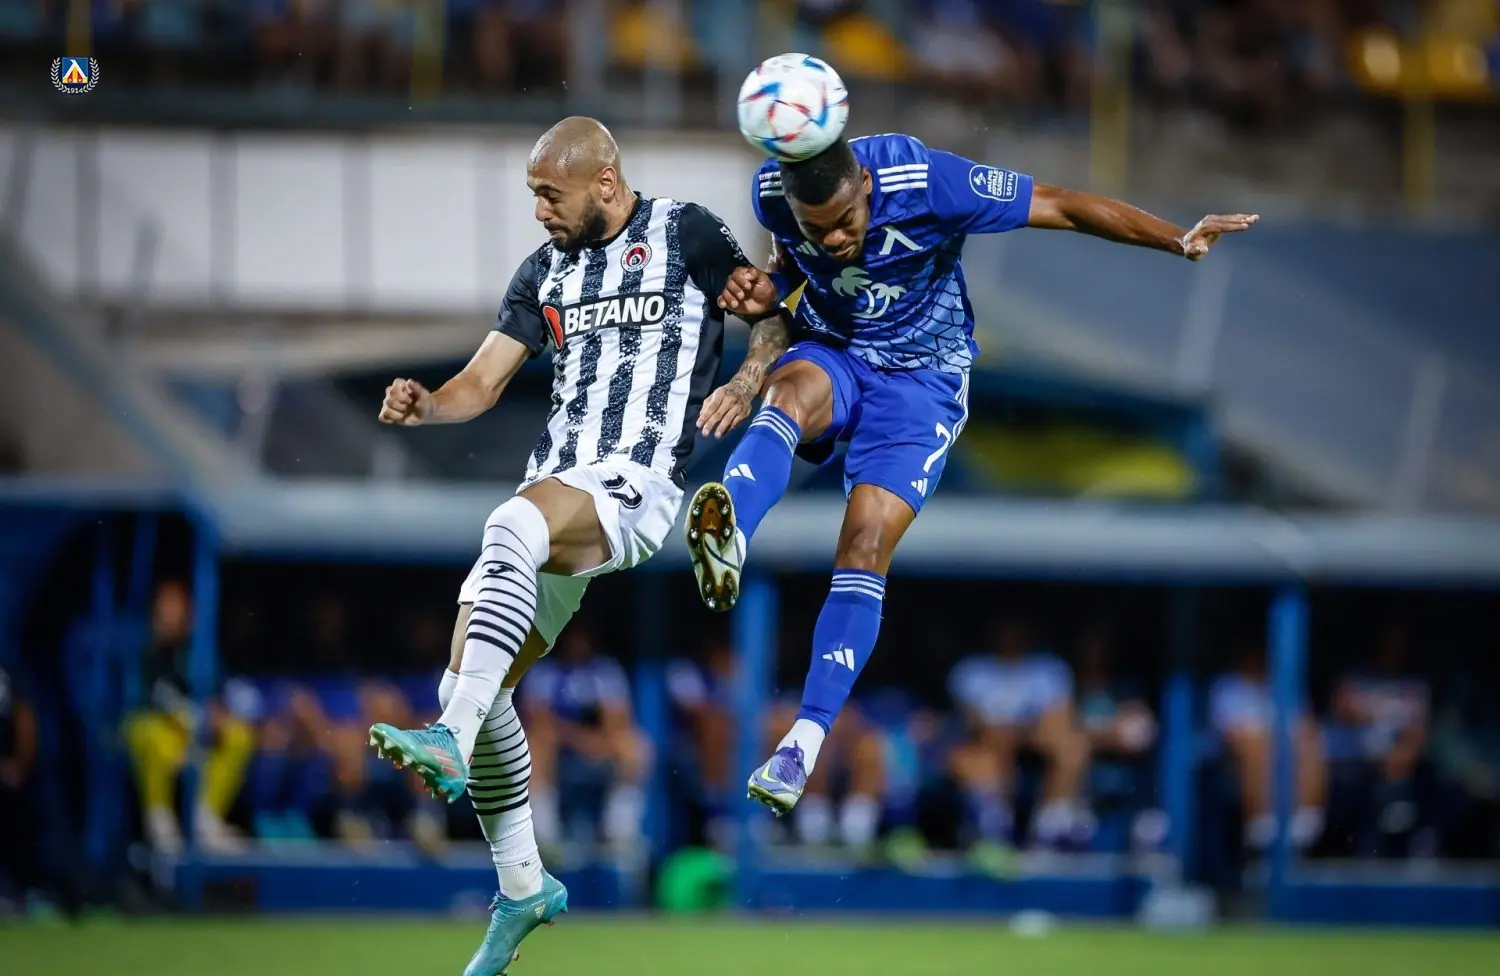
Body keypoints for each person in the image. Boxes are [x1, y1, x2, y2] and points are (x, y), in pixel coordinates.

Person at [685, 119, 1257, 816]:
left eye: (843, 223)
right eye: (817, 228)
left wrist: (1175, 237)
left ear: (865, 184)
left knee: (865, 542)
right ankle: (729, 534)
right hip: (838, 350)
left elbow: (1060, 205)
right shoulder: (775, 194)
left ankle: (803, 741)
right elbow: (792, 267)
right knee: (788, 396)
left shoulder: (929, 182)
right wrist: (771, 287)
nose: (832, 240)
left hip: (921, 384)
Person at [363, 116, 783, 976]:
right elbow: (481, 382)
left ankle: (446, 739)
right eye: (533, 196)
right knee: (472, 681)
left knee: (509, 526)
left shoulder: (685, 231)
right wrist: (427, 404)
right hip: (560, 485)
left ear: (605, 182)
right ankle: (523, 886)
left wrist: (747, 381)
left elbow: (768, 316)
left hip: (637, 483)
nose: (540, 211)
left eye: (550, 195)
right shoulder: (541, 272)